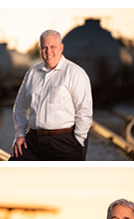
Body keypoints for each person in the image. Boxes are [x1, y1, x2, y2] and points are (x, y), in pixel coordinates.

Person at [10, 30, 93, 161]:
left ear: (61, 47)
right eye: (44, 48)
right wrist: (20, 134)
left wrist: (78, 141)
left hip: (63, 141)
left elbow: (84, 111)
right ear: (40, 49)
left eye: (53, 47)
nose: (48, 52)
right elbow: (20, 107)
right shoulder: (32, 73)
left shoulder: (75, 73)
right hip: (33, 141)